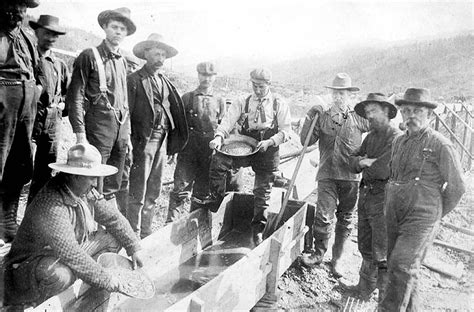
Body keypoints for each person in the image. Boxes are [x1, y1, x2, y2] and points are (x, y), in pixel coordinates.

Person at [4, 143, 144, 308]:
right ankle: (38, 304)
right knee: (60, 276)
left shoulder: (83, 191)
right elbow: (70, 252)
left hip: (60, 253)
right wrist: (106, 279)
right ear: (75, 176)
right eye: (91, 177)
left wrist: (134, 247)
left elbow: (113, 218)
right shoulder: (51, 203)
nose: (95, 182)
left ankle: (84, 278)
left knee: (113, 240)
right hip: (29, 265)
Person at [379, 88, 465, 311]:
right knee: (401, 267)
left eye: (417, 110)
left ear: (428, 114)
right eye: (406, 111)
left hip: (422, 217)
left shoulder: (440, 145)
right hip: (395, 213)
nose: (411, 116)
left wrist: (434, 214)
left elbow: (457, 187)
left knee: (401, 265)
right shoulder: (399, 142)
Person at [208, 68, 291, 246]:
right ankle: (216, 201)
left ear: (269, 85)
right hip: (247, 145)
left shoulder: (278, 103)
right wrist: (218, 137)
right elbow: (228, 121)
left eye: (261, 86)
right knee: (219, 160)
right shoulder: (242, 101)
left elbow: (287, 131)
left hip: (268, 148)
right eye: (254, 86)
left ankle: (257, 231)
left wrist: (270, 141)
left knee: (262, 193)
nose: (257, 90)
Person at [66, 7, 136, 213]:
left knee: (114, 180)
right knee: (92, 181)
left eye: (123, 29)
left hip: (121, 130)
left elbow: (125, 101)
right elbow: (75, 96)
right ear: (105, 27)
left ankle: (105, 230)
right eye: (114, 27)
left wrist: (128, 135)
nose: (118, 32)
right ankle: (86, 227)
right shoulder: (89, 56)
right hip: (98, 126)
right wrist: (80, 135)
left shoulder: (123, 61)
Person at [299, 73, 369, 277]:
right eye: (335, 93)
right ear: (331, 94)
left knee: (345, 218)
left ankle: (337, 260)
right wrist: (311, 115)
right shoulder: (322, 116)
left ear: (349, 95)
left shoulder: (359, 117)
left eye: (343, 93)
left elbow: (378, 132)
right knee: (322, 215)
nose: (338, 97)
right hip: (327, 174)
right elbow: (306, 141)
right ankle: (318, 254)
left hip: (351, 177)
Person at [127, 33, 188, 239]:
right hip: (142, 141)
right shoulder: (134, 80)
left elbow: (171, 114)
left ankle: (145, 232)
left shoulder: (165, 82)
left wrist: (171, 145)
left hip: (161, 141)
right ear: (146, 54)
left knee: (154, 189)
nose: (160, 59)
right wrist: (128, 141)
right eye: (156, 54)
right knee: (138, 189)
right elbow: (126, 114)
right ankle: (132, 233)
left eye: (163, 55)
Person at [345, 93, 402, 301]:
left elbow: (381, 169)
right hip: (366, 194)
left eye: (373, 111)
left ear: (386, 111)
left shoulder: (395, 138)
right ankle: (364, 289)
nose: (369, 116)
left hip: (383, 197)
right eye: (367, 112)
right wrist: (363, 161)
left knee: (382, 249)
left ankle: (384, 298)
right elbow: (351, 161)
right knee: (365, 243)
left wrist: (368, 162)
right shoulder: (370, 137)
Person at [0, 0, 45, 243]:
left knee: (20, 162)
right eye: (13, 5)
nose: (18, 12)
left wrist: (35, 91)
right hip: (3, 104)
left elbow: (39, 73)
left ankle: (7, 219)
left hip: (26, 105)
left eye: (23, 8)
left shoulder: (27, 38)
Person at [166, 62, 228, 222]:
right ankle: (169, 228)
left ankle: (195, 229)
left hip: (209, 152)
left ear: (215, 77)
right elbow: (177, 126)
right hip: (188, 151)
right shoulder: (187, 98)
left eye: (209, 76)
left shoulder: (220, 101)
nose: (206, 79)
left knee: (202, 194)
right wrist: (174, 149)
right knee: (180, 190)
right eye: (203, 75)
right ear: (198, 75)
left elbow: (223, 126)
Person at [28, 14, 70, 203]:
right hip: (28, 119)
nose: (50, 38)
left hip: (53, 123)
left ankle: (33, 218)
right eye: (47, 33)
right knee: (20, 168)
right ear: (37, 32)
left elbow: (69, 93)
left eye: (55, 35)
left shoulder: (59, 64)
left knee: (45, 171)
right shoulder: (27, 58)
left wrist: (62, 105)